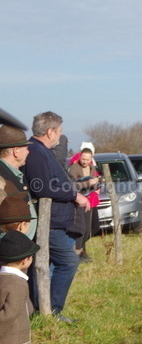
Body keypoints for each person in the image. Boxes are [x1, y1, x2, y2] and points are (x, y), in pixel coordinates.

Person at [22, 112, 89, 323]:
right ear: (50, 132)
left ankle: (43, 311)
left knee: (45, 266)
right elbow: (42, 188)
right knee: (68, 262)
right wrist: (74, 195)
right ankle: (52, 312)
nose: (60, 136)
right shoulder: (36, 152)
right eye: (59, 131)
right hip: (49, 222)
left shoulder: (42, 151)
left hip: (56, 220)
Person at [0, 126, 35, 240]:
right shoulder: (2, 177)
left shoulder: (16, 173)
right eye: (26, 147)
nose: (28, 151)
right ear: (16, 151)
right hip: (8, 250)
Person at [67, 148, 101, 261]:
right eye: (83, 159)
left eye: (87, 159)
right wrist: (88, 183)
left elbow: (95, 183)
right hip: (80, 202)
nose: (85, 161)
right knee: (83, 229)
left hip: (91, 201)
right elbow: (72, 185)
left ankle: (81, 250)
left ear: (91, 159)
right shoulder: (74, 168)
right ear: (79, 157)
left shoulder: (92, 168)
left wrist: (97, 187)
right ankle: (78, 253)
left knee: (94, 227)